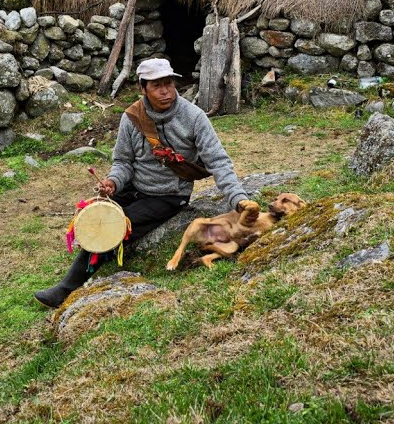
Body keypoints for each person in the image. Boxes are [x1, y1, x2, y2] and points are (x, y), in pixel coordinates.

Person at [34, 57, 250, 308]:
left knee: (113, 227)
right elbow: (123, 162)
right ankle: (92, 257)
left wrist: (238, 199)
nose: (165, 91)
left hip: (169, 195)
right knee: (96, 215)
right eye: (157, 85)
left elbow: (218, 161)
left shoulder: (194, 118)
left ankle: (65, 290)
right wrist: (114, 182)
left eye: (169, 83)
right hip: (133, 188)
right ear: (142, 87)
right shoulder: (132, 117)